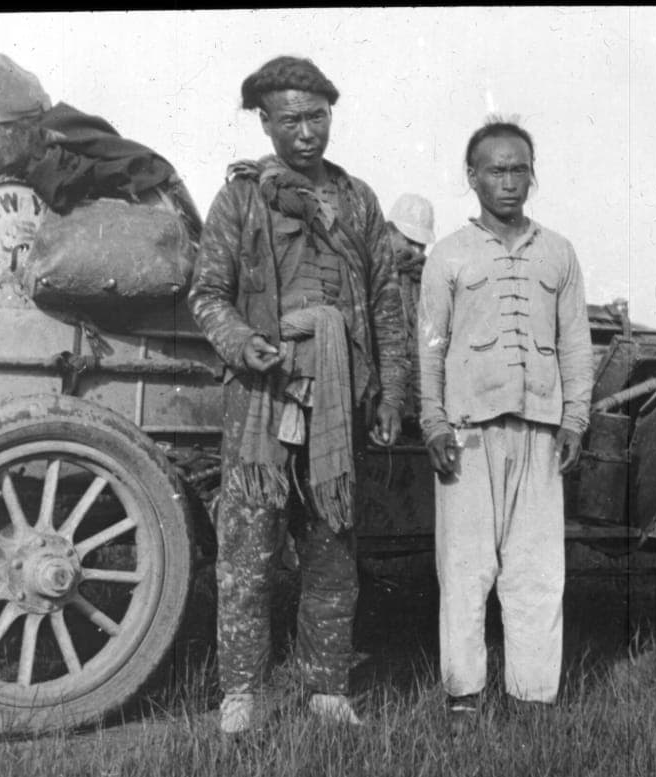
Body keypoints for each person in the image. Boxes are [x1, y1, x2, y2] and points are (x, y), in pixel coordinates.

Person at [188, 55, 408, 732]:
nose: (307, 132)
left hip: (340, 401)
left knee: (333, 551)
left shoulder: (361, 201)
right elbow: (207, 294)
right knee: (248, 558)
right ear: (265, 121)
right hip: (261, 398)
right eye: (291, 119)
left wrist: (393, 391)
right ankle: (242, 696)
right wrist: (240, 342)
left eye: (317, 117)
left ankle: (327, 690)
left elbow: (388, 304)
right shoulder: (241, 199)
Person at [418, 118, 593, 718]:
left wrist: (574, 419)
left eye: (520, 169)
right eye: (496, 170)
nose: (509, 182)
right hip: (466, 435)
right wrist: (435, 425)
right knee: (466, 571)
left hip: (541, 433)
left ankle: (533, 699)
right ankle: (464, 697)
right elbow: (430, 349)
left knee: (537, 573)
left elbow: (575, 345)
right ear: (472, 177)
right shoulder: (448, 256)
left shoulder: (558, 253)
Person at [387, 193, 436, 431]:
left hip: (415, 404)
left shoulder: (429, 285)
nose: (415, 250)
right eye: (409, 240)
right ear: (390, 232)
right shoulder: (373, 276)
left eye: (421, 244)